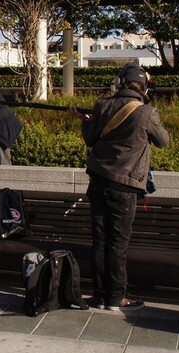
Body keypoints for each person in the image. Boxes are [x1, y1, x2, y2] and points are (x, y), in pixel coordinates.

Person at [71, 64, 169, 311]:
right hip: (124, 187)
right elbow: (164, 141)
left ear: (119, 82)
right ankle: (117, 298)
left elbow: (90, 139)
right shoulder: (146, 112)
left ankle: (99, 295)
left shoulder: (102, 105)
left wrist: (85, 122)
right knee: (117, 244)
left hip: (98, 182)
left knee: (99, 241)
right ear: (143, 86)